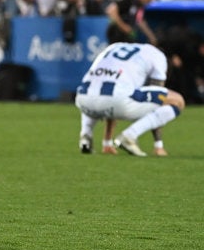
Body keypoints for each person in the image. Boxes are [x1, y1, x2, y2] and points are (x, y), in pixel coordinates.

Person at [75, 26, 185, 158]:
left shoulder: (112, 48)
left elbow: (105, 86)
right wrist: (158, 145)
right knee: (177, 100)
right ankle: (129, 135)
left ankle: (86, 136)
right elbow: (158, 99)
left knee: (100, 90)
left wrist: (107, 142)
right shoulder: (158, 56)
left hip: (82, 100)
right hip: (116, 99)